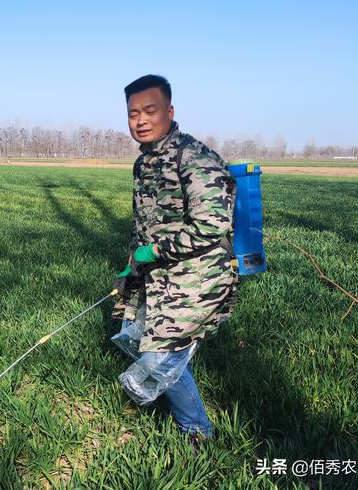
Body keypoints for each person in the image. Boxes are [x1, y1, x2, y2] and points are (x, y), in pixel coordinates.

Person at [112, 74, 238, 445]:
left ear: (170, 111)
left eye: (150, 110)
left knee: (160, 353)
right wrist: (133, 262)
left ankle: (197, 436)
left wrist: (155, 251)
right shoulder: (145, 162)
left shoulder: (194, 158)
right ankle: (177, 405)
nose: (141, 120)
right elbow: (145, 224)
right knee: (138, 337)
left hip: (198, 277)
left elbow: (212, 225)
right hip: (160, 275)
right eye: (133, 113)